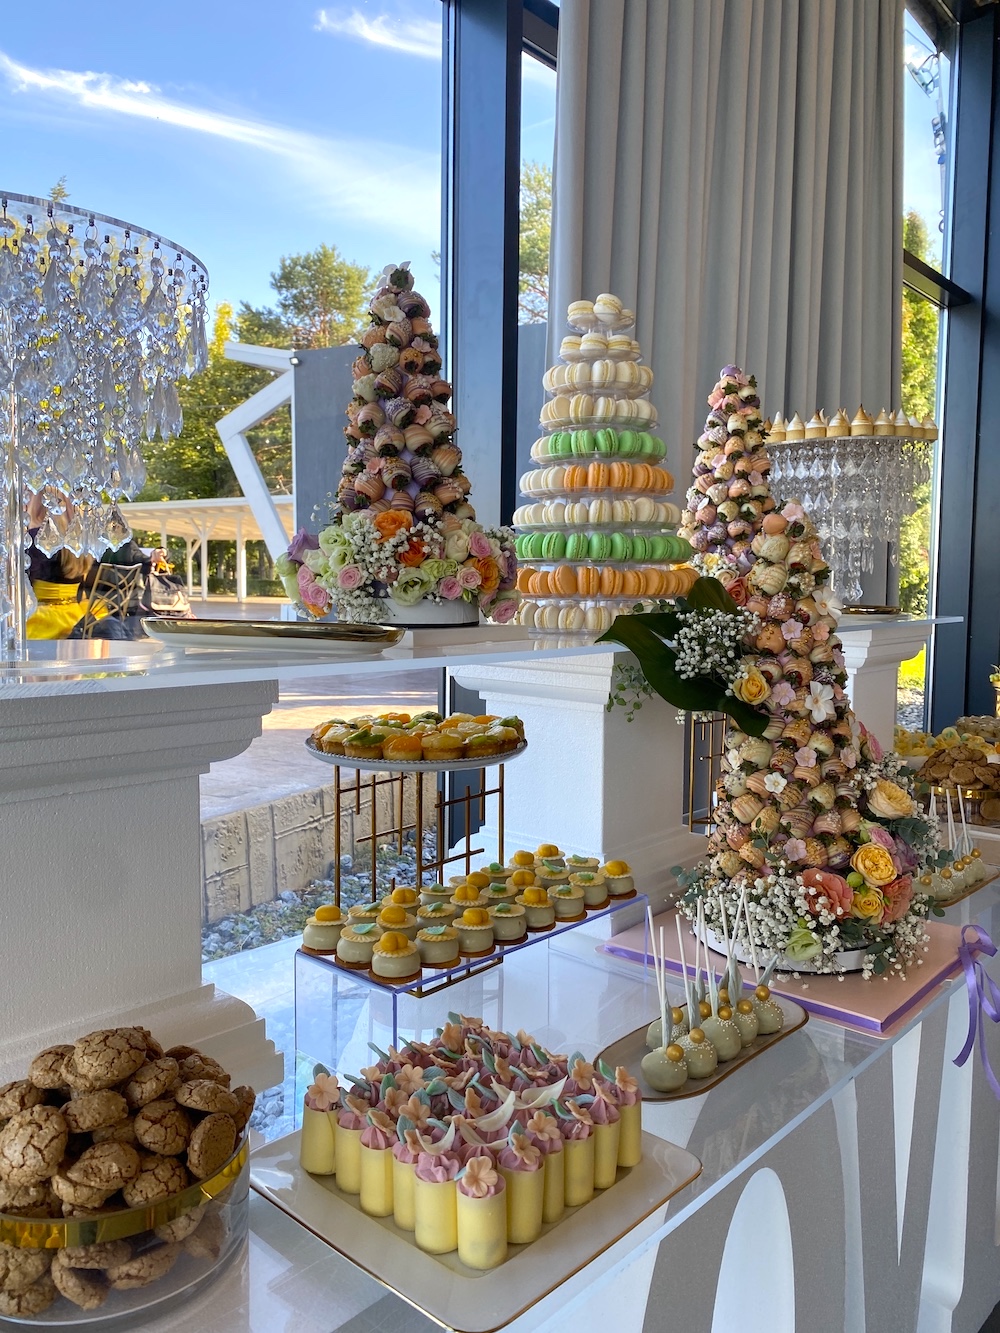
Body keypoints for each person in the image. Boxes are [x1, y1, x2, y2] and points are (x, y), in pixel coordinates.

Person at [24, 492, 94, 640]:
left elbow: (24, 580)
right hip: (74, 617)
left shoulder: (36, 538)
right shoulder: (78, 538)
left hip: (42, 622)